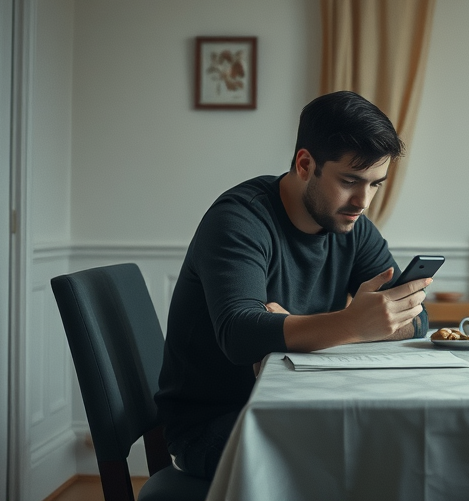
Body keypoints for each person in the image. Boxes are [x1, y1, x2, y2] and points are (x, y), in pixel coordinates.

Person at [155, 91, 432, 480]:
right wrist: (352, 324)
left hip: (297, 404)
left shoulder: (352, 226)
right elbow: (239, 334)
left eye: (375, 185)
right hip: (215, 425)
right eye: (350, 181)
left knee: (398, 443)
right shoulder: (239, 220)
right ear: (305, 164)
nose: (363, 201)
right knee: (372, 456)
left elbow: (416, 317)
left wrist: (325, 326)